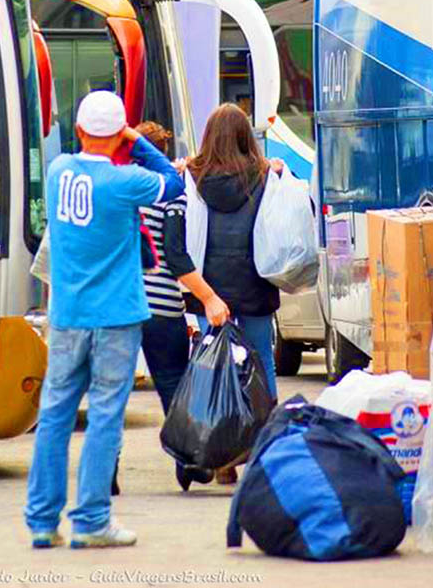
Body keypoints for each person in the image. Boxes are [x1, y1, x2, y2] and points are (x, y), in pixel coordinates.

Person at [25, 91, 184, 549]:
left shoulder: (59, 173)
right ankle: (91, 520)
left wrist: (119, 140)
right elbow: (172, 182)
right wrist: (136, 141)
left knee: (55, 416)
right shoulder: (125, 180)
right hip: (115, 315)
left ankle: (41, 520)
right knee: (105, 416)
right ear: (119, 136)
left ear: (77, 131)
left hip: (68, 314)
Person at [185, 103, 281, 484]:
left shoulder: (193, 176)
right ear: (247, 138)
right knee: (261, 363)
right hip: (254, 281)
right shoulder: (264, 176)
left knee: (213, 366)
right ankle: (266, 449)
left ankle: (220, 454)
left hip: (207, 287)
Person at [135, 121, 230, 491]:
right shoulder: (171, 194)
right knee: (173, 387)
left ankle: (107, 474)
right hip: (161, 308)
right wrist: (207, 296)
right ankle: (189, 461)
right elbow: (175, 255)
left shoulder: (116, 187)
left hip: (119, 305)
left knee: (109, 390)